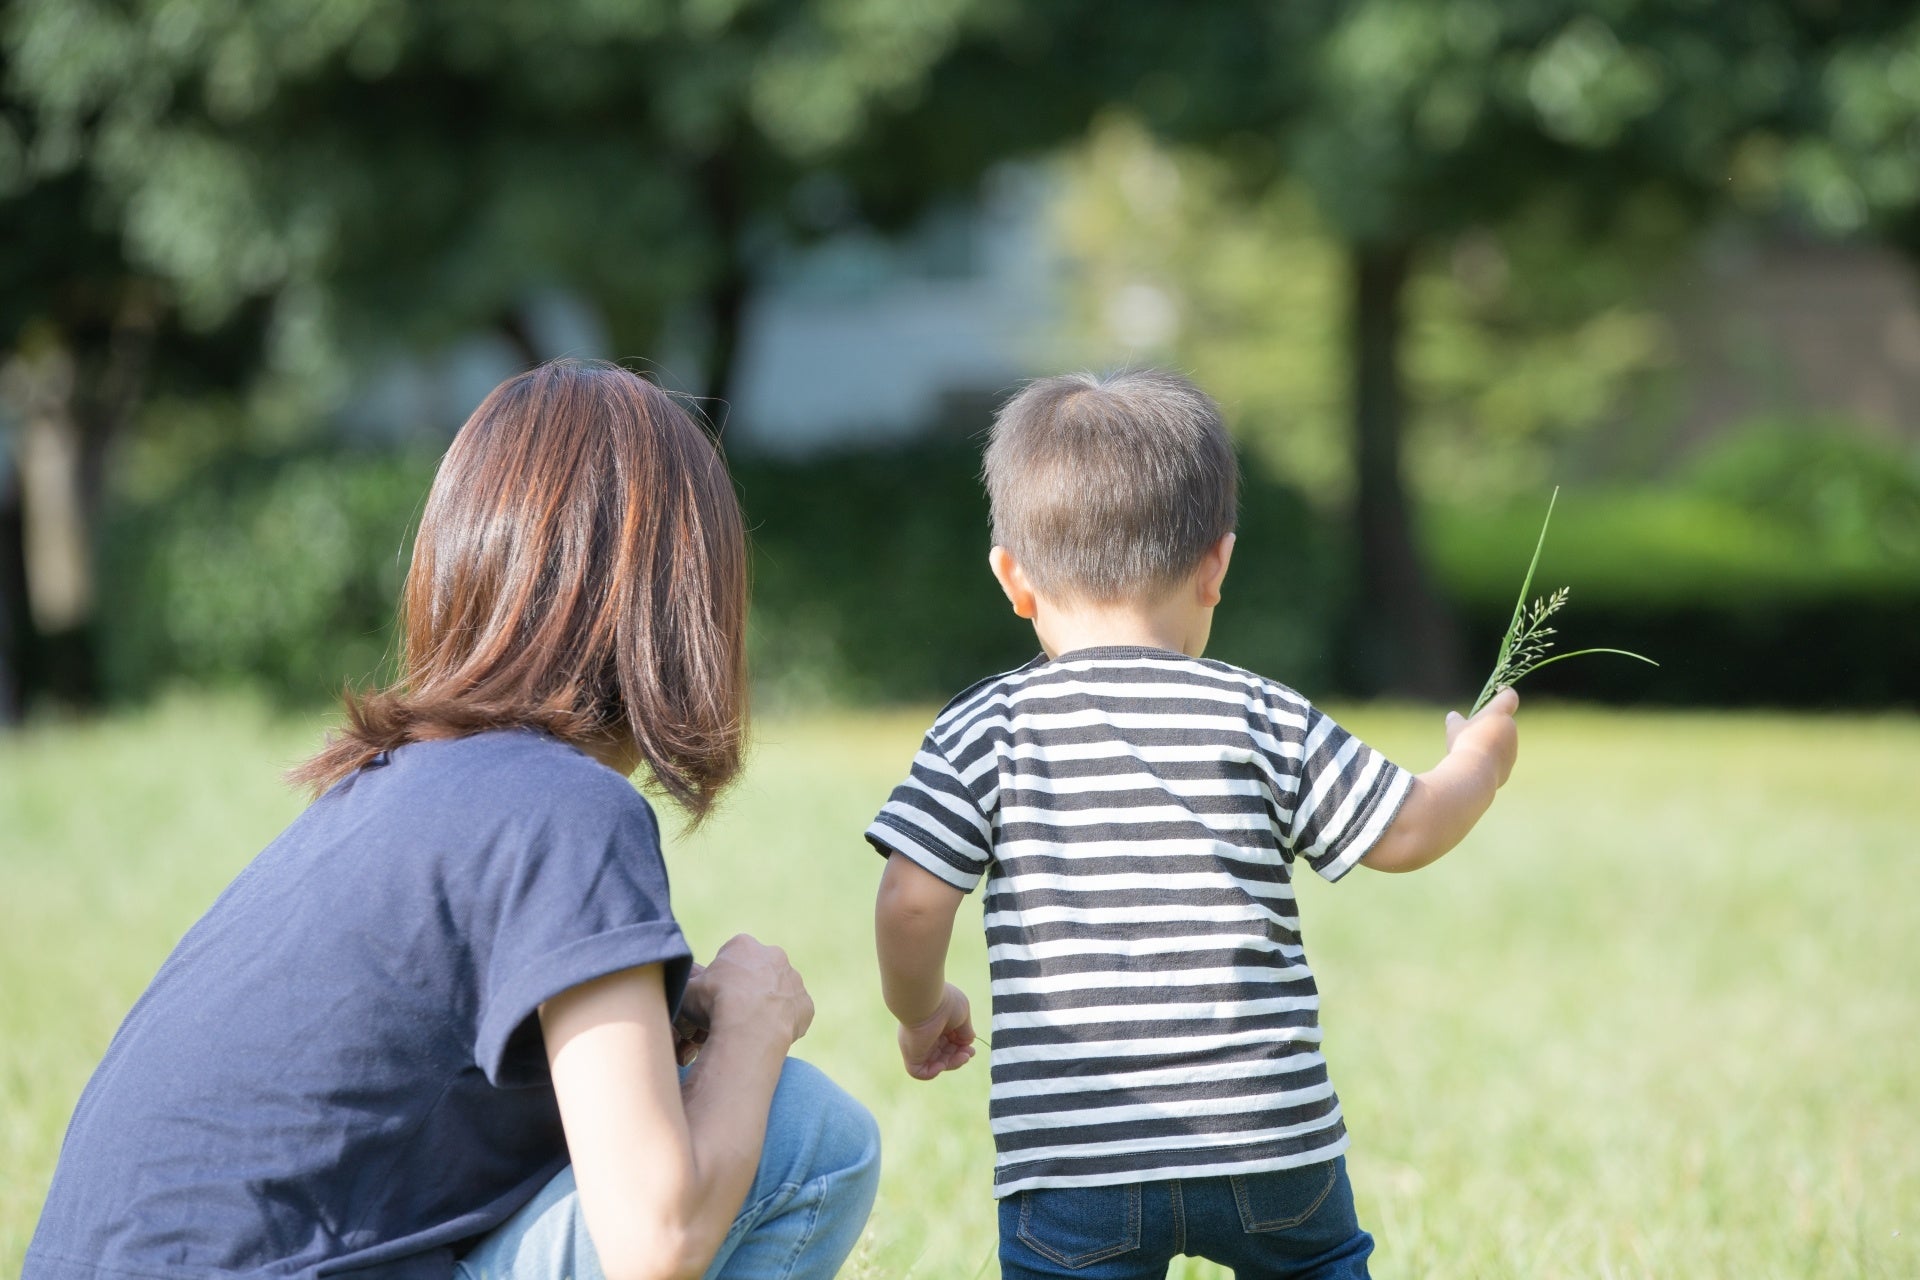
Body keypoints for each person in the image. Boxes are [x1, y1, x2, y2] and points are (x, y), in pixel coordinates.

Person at [26, 360, 880, 1280]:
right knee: (807, 1135)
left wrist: (671, 1016)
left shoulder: (377, 796)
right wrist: (752, 1026)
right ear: (684, 608)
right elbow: (654, 1239)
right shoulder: (569, 808)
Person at [865, 369, 1519, 1279]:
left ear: (1012, 578)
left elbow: (907, 901)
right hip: (1267, 1141)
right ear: (1218, 562)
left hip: (1075, 1160)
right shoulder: (1256, 711)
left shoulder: (986, 727)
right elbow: (1405, 832)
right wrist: (1478, 764)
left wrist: (922, 1011)